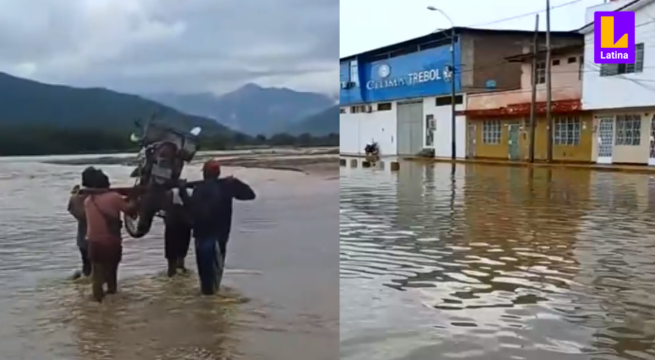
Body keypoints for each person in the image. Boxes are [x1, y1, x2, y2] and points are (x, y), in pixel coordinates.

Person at [178, 159, 256, 295]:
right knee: (215, 275)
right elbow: (250, 195)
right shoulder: (226, 187)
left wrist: (182, 190)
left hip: (203, 236)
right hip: (219, 236)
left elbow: (190, 208)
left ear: (204, 174)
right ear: (218, 173)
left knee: (206, 278)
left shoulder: (200, 189)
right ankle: (211, 303)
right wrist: (237, 184)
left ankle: (208, 303)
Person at [83, 169, 136, 302]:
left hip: (94, 242)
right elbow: (130, 210)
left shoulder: (88, 200)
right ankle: (112, 302)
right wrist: (135, 198)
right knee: (111, 273)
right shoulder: (114, 197)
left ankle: (97, 303)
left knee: (97, 276)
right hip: (112, 241)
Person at [67, 167, 97, 279]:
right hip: (99, 236)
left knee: (87, 265)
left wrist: (74, 195)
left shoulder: (78, 197)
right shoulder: (99, 195)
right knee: (100, 267)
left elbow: (72, 210)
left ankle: (85, 284)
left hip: (83, 237)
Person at [163, 186, 193, 277]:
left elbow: (165, 208)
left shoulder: (169, 193)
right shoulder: (190, 192)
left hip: (172, 226)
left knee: (171, 260)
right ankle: (181, 276)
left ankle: (172, 276)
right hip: (185, 226)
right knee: (181, 256)